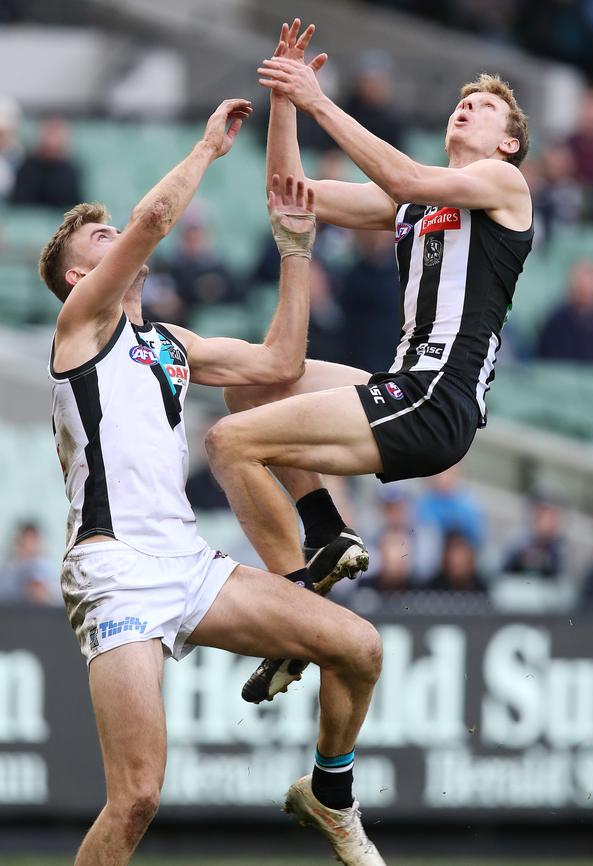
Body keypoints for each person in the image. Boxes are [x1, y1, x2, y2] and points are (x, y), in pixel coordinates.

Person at [40, 98, 384, 866]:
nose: (119, 236)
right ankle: (300, 565)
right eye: (101, 236)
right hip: (117, 571)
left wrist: (296, 247)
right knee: (137, 797)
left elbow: (281, 364)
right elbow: (156, 219)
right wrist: (204, 150)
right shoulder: (81, 329)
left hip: (191, 566)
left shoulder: (169, 343)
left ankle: (331, 795)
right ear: (76, 275)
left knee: (359, 648)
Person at [207, 19, 532, 703]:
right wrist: (288, 105)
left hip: (436, 401)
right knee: (254, 383)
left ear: (508, 142)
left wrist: (320, 98)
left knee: (226, 444)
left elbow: (406, 172)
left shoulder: (504, 184)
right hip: (407, 385)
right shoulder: (411, 203)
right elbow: (288, 192)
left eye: (486, 106)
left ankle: (296, 614)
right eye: (461, 100)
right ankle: (326, 536)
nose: (466, 105)